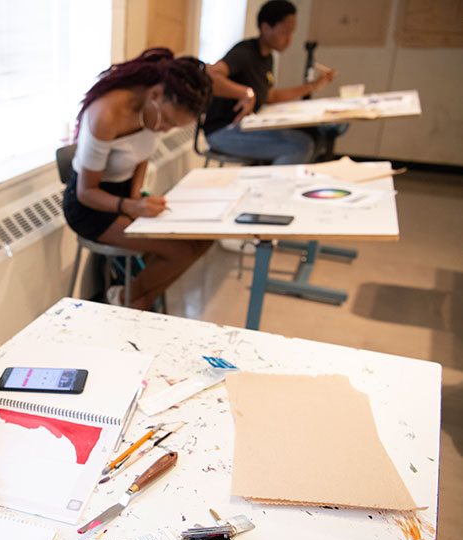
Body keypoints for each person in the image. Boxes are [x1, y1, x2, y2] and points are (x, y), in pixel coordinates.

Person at [62, 47, 214, 311]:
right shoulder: (106, 115)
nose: (166, 129)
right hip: (89, 206)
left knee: (203, 238)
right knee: (180, 252)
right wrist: (132, 207)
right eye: (167, 121)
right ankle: (130, 302)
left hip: (124, 196)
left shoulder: (153, 108)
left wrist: (135, 195)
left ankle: (132, 301)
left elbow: (142, 154)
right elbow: (87, 192)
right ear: (155, 94)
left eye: (174, 126)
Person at [203, 0, 340, 165]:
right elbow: (210, 76)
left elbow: (270, 96)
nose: (289, 39)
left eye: (292, 33)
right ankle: (272, 187)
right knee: (299, 146)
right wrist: (244, 93)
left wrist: (313, 86)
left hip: (247, 125)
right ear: (266, 27)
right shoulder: (244, 52)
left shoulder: (267, 58)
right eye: (285, 32)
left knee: (315, 135)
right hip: (224, 130)